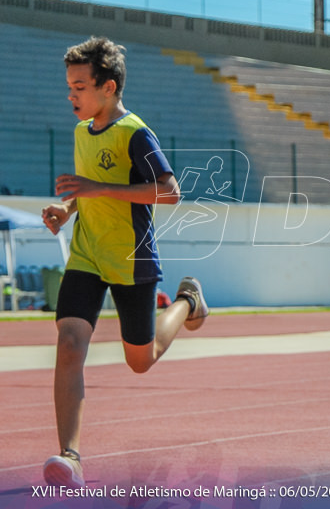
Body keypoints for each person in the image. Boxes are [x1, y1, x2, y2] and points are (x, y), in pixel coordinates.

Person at [40, 37, 208, 488]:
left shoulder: (136, 134)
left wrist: (94, 189)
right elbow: (91, 189)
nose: (71, 95)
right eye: (69, 86)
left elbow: (170, 191)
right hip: (87, 255)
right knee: (70, 343)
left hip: (132, 259)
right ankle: (69, 455)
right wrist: (68, 209)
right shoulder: (81, 132)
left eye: (79, 86)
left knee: (141, 360)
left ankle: (187, 302)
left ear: (108, 87)